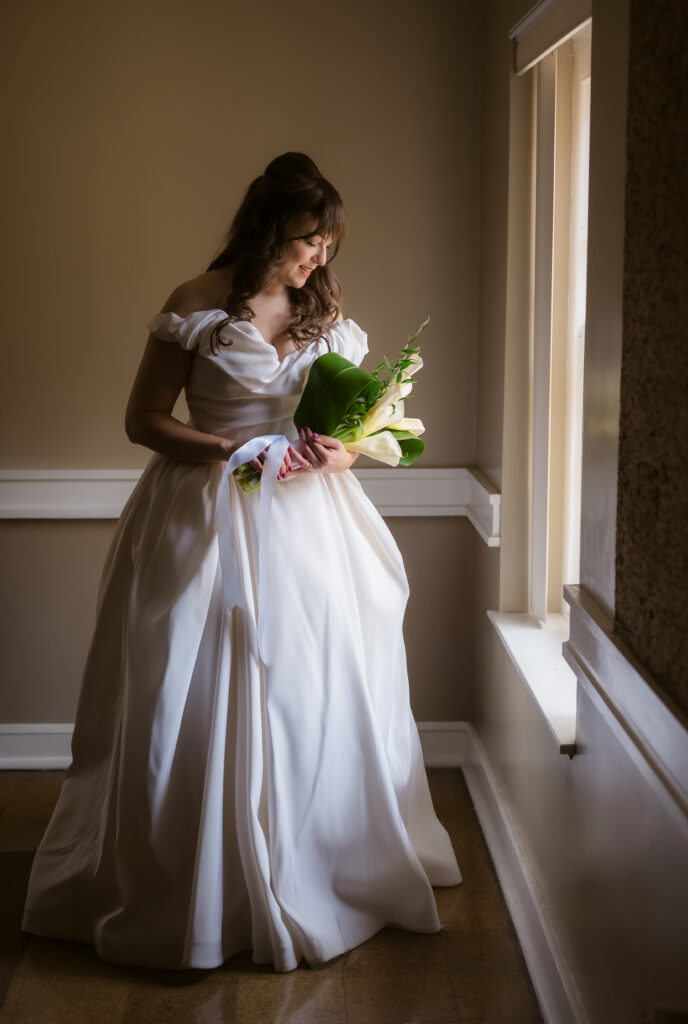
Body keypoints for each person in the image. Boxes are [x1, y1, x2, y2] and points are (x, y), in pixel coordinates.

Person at [22, 152, 461, 972]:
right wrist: (231, 450)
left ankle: (319, 865)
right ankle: (190, 889)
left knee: (310, 687)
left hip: (305, 522)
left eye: (326, 244)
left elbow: (351, 432)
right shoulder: (192, 306)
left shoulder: (324, 309)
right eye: (306, 240)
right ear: (266, 229)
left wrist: (338, 457)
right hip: (203, 509)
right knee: (186, 687)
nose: (317, 258)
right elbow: (143, 421)